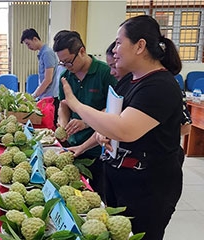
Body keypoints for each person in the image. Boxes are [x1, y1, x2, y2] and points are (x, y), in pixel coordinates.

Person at [60, 15, 184, 239]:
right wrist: (101, 133)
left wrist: (76, 104)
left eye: (119, 42)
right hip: (119, 177)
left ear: (140, 46)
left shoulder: (160, 86)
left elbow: (125, 129)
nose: (114, 50)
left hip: (148, 187)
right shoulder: (130, 79)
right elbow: (112, 116)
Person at [53, 30, 117, 197]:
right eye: (62, 63)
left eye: (68, 62)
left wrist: (87, 122)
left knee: (96, 195)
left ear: (82, 51)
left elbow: (112, 110)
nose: (66, 67)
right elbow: (64, 105)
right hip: (73, 146)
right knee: (74, 195)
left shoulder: (105, 73)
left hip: (98, 149)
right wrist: (63, 124)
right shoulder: (66, 75)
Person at [20, 28, 61, 127]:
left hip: (51, 97)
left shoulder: (47, 53)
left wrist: (33, 96)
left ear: (35, 39)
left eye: (28, 44)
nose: (28, 47)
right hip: (45, 96)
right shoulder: (42, 53)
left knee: (49, 126)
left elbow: (48, 79)